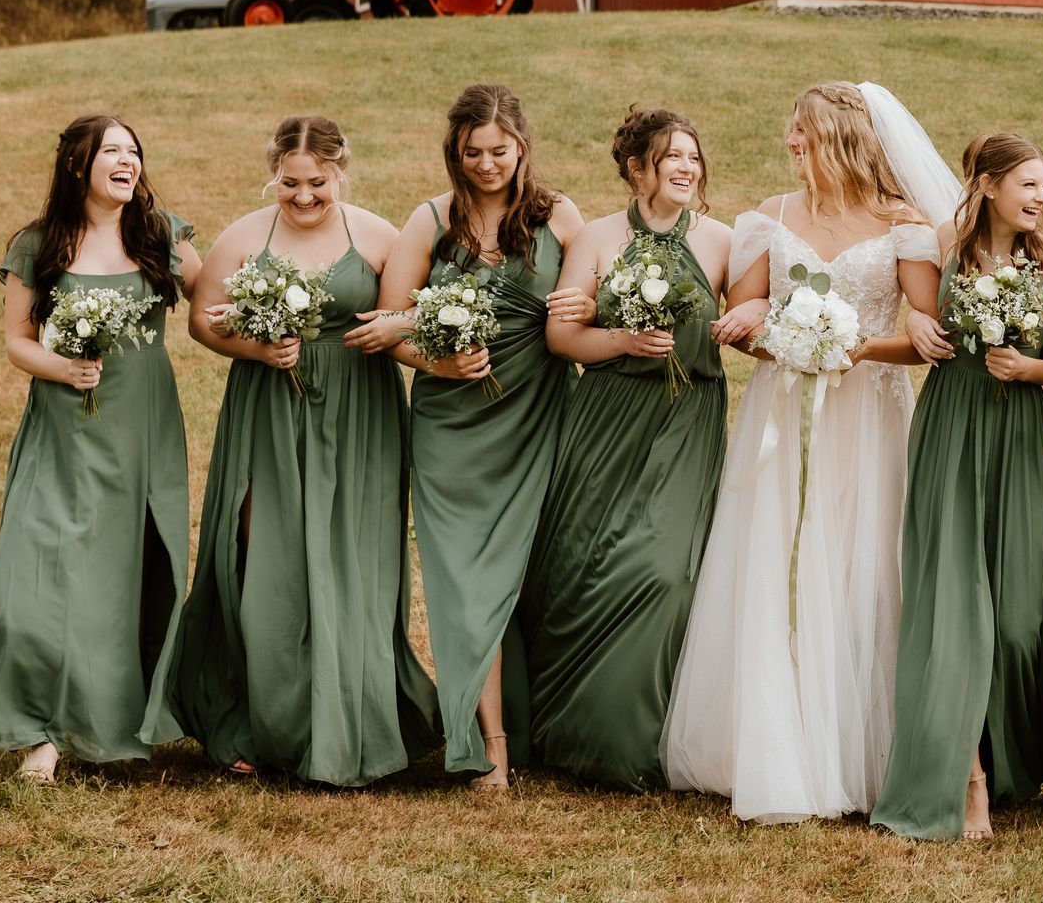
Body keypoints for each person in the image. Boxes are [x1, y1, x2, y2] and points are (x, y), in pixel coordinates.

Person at [662, 82, 949, 821]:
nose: (792, 146)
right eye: (791, 135)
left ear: (844, 141)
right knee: (778, 561)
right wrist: (768, 330)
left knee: (862, 564)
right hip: (783, 412)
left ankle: (861, 752)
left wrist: (855, 349)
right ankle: (776, 749)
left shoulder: (906, 228)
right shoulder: (768, 218)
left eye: (805, 136)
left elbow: (923, 333)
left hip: (870, 418)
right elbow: (744, 317)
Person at [174, 115, 438, 786]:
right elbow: (204, 321)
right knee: (267, 561)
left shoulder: (378, 235)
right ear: (275, 174)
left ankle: (353, 721)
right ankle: (264, 722)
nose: (303, 197)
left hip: (361, 414)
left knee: (355, 561)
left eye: (316, 183)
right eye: (289, 183)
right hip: (268, 411)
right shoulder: (245, 235)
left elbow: (403, 316)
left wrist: (403, 333)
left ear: (339, 172)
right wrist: (256, 346)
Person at [376, 84, 589, 790]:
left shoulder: (559, 217)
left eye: (500, 151)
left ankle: (540, 725)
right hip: (450, 428)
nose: (487, 164)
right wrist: (437, 359)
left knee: (525, 578)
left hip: (535, 419)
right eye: (473, 152)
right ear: (455, 153)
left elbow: (587, 302)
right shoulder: (431, 220)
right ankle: (487, 744)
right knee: (466, 583)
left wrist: (585, 301)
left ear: (522, 146)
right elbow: (391, 324)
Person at [519, 106, 731, 790]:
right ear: (637, 167)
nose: (687, 168)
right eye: (672, 156)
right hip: (607, 418)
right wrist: (621, 340)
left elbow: (749, 320)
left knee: (664, 574)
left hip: (685, 420)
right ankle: (564, 731)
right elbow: (562, 337)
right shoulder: (598, 237)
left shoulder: (727, 241)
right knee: (578, 564)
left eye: (694, 157)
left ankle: (636, 738)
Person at [0, 115, 199, 783]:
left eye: (133, 151)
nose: (127, 161)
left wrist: (282, 310)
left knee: (119, 574)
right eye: (112, 151)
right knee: (41, 570)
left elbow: (215, 298)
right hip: (63, 426)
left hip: (142, 425)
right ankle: (39, 727)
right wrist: (62, 368)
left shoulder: (161, 234)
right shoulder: (38, 242)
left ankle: (102, 724)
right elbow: (18, 339)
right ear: (79, 165)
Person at [872, 133, 1043, 841]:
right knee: (954, 608)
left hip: (1019, 434)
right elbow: (925, 339)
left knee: (1017, 622)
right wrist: (874, 342)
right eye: (1030, 185)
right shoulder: (942, 249)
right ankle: (967, 780)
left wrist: (1034, 370)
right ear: (988, 185)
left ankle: (1015, 761)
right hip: (953, 426)